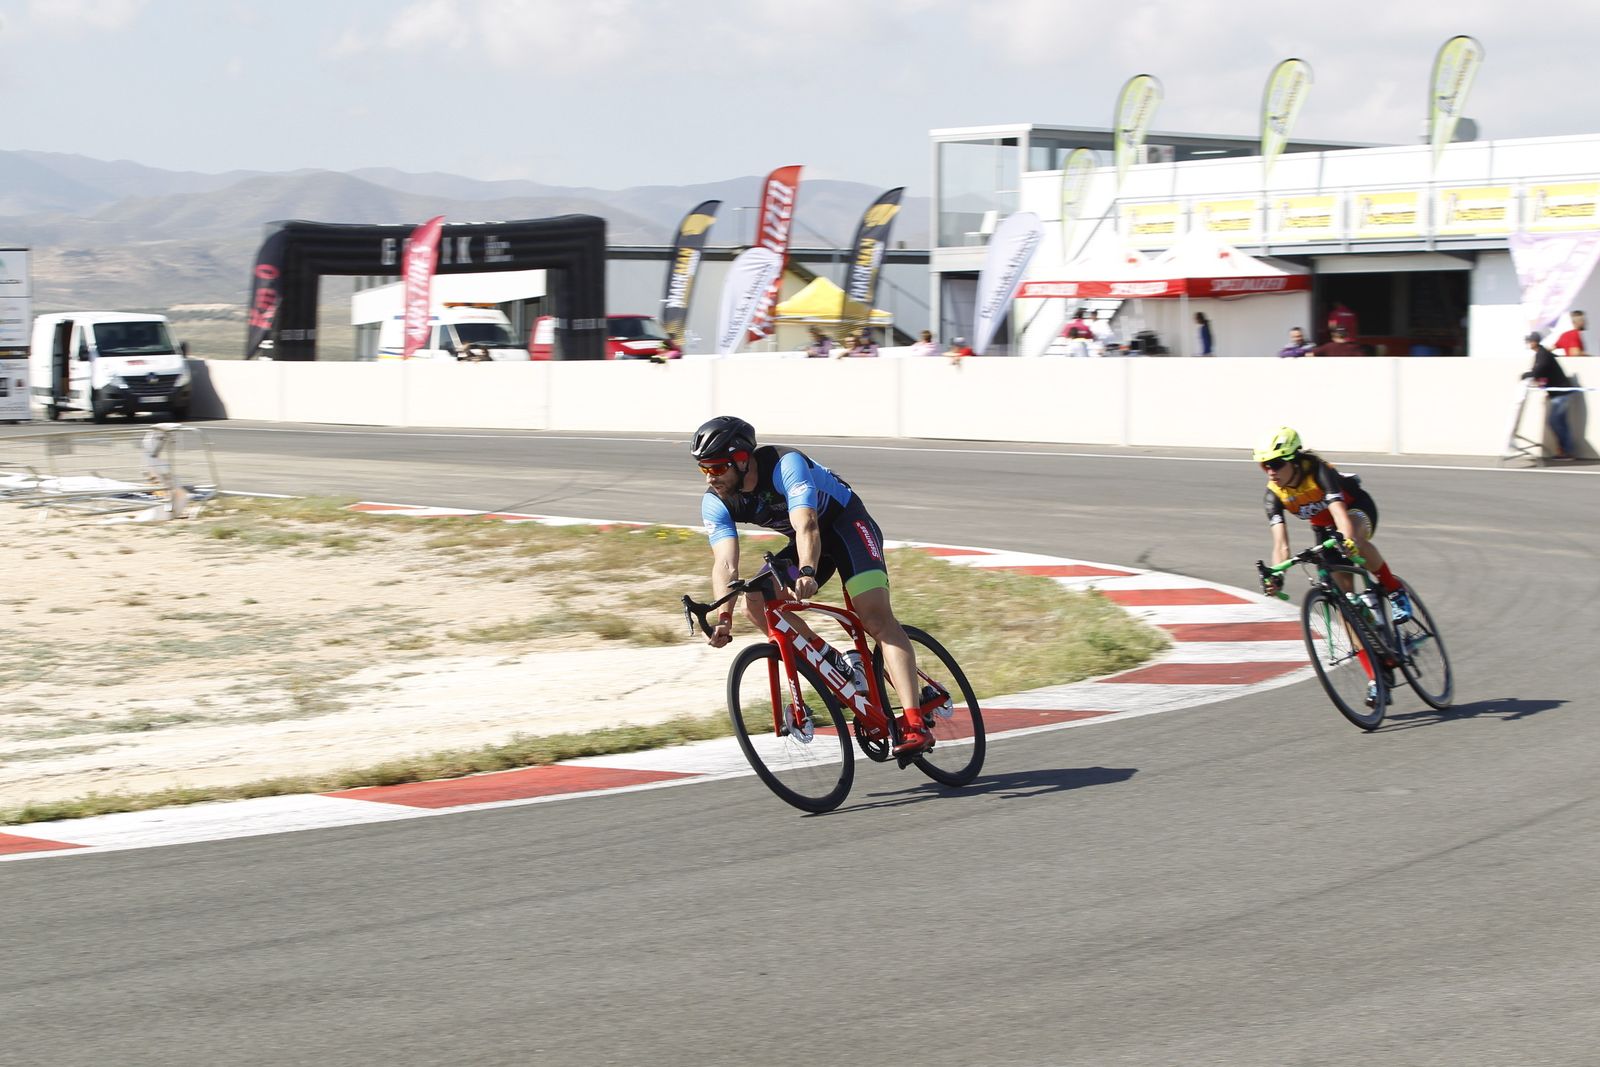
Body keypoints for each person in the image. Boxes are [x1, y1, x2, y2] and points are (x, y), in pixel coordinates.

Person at [690, 416, 934, 757]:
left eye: (717, 468)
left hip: (848, 528)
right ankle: (836, 665)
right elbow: (725, 563)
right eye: (704, 469)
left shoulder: (785, 464)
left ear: (742, 460)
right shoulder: (716, 501)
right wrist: (723, 617)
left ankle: (914, 722)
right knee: (755, 603)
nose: (710, 477)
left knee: (875, 618)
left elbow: (807, 524)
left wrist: (807, 570)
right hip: (806, 543)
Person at [1254, 427, 1412, 705]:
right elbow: (1281, 544)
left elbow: (1340, 515)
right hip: (1325, 528)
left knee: (1356, 540)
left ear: (1293, 460)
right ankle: (1376, 677)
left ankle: (1394, 590)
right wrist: (1277, 575)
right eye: (1264, 465)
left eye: (1276, 464)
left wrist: (1348, 540)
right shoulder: (1273, 494)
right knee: (1345, 606)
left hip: (1355, 510)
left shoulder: (1318, 471)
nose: (1270, 471)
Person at [1521, 332, 1578, 461]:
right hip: (1559, 394)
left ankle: (1567, 451)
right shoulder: (1542, 354)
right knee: (1560, 422)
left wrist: (1525, 375)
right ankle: (1566, 450)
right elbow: (1544, 374)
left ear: (1535, 342)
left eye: (1529, 341)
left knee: (1555, 421)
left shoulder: (1542, 354)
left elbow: (1538, 371)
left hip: (1561, 394)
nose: (1528, 343)